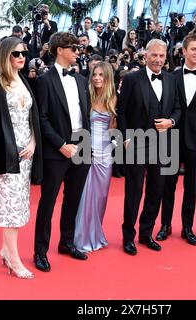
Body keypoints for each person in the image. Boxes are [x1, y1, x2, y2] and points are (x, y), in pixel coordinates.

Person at [0, 36, 43, 279]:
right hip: (5, 156)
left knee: (19, 205)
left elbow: (32, 117)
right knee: (9, 207)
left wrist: (34, 142)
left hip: (26, 154)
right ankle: (14, 259)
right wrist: (2, 151)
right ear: (5, 55)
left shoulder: (24, 80)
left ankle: (6, 250)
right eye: (16, 53)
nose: (21, 58)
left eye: (24, 53)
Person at [34, 32, 92, 272]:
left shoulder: (80, 80)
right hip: (57, 149)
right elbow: (42, 118)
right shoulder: (45, 80)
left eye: (78, 48)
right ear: (59, 50)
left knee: (73, 199)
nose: (78, 52)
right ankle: (40, 251)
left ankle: (66, 242)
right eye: (73, 48)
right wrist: (61, 145)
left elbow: (84, 115)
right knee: (48, 201)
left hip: (82, 144)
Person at [118, 39, 181, 255]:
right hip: (136, 140)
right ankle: (128, 237)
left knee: (156, 191)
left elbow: (178, 109)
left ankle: (146, 233)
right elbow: (122, 111)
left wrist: (170, 122)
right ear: (145, 55)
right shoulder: (132, 79)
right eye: (154, 55)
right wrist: (125, 139)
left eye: (162, 56)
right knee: (133, 192)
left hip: (164, 143)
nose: (158, 59)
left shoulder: (172, 80)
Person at [158, 34, 196, 245]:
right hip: (171, 140)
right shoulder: (171, 77)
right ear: (183, 51)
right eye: (193, 49)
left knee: (191, 187)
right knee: (168, 185)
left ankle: (187, 227)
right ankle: (165, 225)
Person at [74, 62, 117, 252]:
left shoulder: (115, 99)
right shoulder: (87, 97)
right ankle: (81, 237)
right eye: (95, 75)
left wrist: (112, 147)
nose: (97, 78)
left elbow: (115, 130)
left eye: (101, 75)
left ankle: (95, 234)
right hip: (87, 151)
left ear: (108, 78)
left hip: (105, 155)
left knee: (100, 196)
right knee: (83, 195)